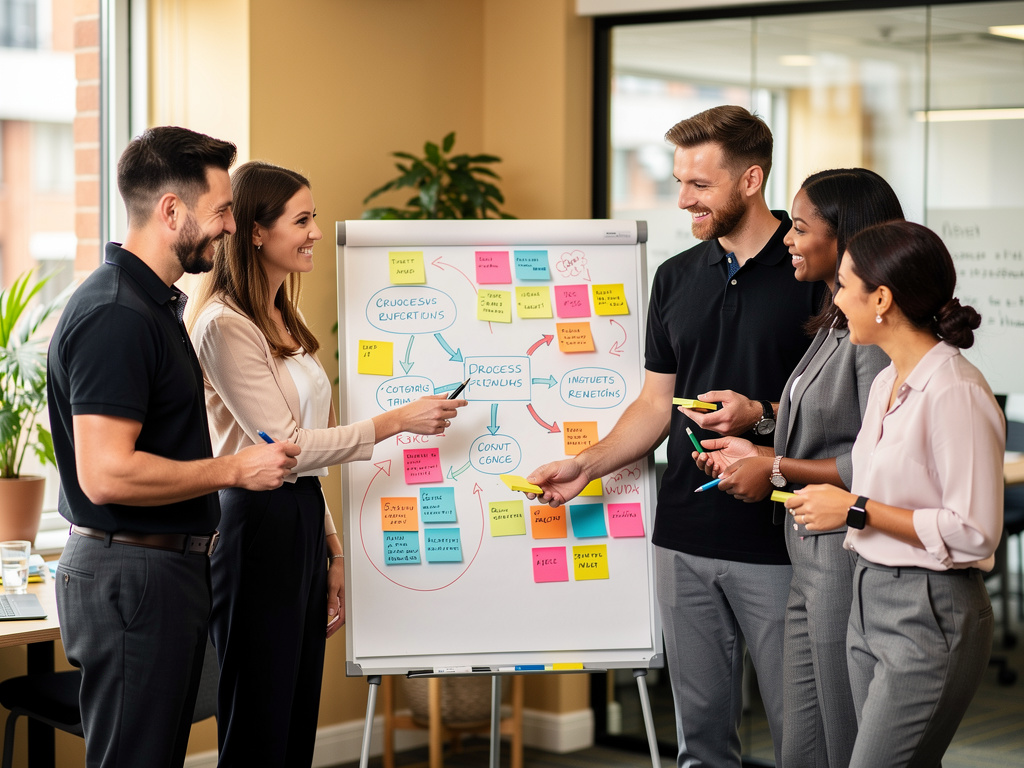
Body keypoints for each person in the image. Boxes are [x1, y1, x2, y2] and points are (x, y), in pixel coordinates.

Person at [525, 105, 825, 767]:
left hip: (782, 540)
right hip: (683, 535)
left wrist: (762, 414)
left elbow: (842, 414)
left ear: (750, 180)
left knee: (804, 742)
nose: (683, 198)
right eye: (679, 181)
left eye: (700, 184)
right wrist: (588, 463)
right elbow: (655, 403)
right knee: (700, 746)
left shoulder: (811, 274)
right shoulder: (676, 276)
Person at [188, 161, 466, 767]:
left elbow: (308, 455)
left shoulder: (285, 315)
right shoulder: (222, 325)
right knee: (258, 713)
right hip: (253, 522)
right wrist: (397, 421)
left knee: (295, 712)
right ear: (256, 232)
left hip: (300, 515)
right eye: (303, 219)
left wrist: (334, 549)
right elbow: (284, 442)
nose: (316, 231)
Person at [46, 127, 300, 768]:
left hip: (161, 572)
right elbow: (106, 474)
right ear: (170, 210)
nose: (227, 227)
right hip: (133, 576)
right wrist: (235, 468)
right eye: (220, 211)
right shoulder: (116, 315)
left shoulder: (152, 307)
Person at [694, 168, 903, 767]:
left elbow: (873, 462)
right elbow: (823, 413)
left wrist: (774, 468)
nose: (788, 237)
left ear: (846, 239)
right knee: (801, 746)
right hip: (806, 552)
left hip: (843, 557)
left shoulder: (870, 337)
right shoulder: (838, 321)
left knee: (840, 740)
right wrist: (758, 418)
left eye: (802, 227)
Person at [786, 220, 1003, 767]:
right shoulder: (887, 382)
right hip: (867, 594)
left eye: (842, 285)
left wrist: (855, 510)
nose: (834, 300)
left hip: (929, 607)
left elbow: (973, 532)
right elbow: (875, 481)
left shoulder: (956, 390)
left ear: (880, 298)